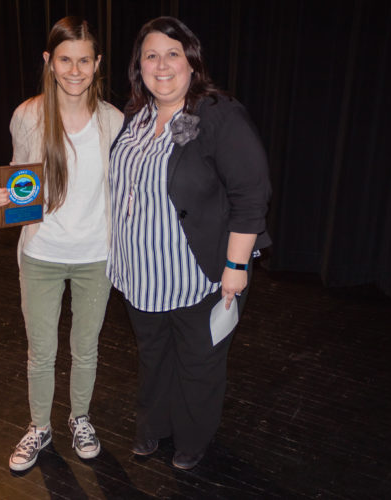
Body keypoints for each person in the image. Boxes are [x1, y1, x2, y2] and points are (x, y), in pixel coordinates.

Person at [107, 16, 272, 470]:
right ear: (138, 67)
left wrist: (235, 269)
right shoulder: (132, 118)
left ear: (192, 62)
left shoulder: (217, 114)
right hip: (139, 276)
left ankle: (192, 440)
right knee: (154, 359)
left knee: (198, 366)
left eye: (173, 54)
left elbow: (250, 196)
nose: (162, 65)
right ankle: (152, 428)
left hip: (197, 276)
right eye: (151, 56)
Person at [0, 16, 123, 472]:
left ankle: (80, 418)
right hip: (41, 254)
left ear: (97, 62)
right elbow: (19, 184)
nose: (75, 70)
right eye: (65, 59)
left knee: (86, 348)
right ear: (49, 60)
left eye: (84, 60)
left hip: (95, 257)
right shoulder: (27, 115)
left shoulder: (114, 122)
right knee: (41, 351)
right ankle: (39, 427)